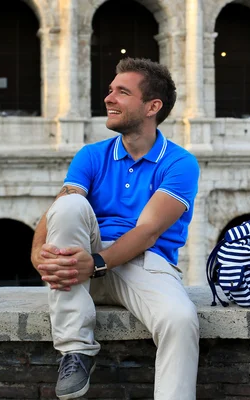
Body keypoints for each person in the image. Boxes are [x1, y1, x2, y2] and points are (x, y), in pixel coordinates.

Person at [30, 58, 200, 400]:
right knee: (71, 203)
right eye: (110, 90)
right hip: (83, 259)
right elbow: (61, 209)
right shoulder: (91, 155)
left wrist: (96, 263)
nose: (109, 98)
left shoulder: (179, 163)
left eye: (122, 92)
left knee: (181, 320)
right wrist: (37, 255)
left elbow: (148, 231)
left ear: (153, 106)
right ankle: (75, 349)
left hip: (142, 263)